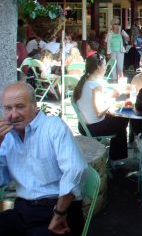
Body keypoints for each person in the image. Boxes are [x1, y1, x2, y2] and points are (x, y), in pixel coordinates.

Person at [0, 82, 88, 235]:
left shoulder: (53, 127)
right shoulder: (7, 138)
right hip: (24, 210)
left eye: (20, 106)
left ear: (34, 105)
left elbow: (76, 169)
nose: (13, 115)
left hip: (59, 209)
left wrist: (59, 213)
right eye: (8, 108)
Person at [73, 54, 129, 163]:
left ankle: (116, 158)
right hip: (93, 127)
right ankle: (116, 159)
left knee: (118, 120)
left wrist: (111, 95)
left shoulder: (85, 81)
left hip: (83, 126)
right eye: (104, 65)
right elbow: (99, 111)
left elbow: (93, 101)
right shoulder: (96, 85)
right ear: (98, 67)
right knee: (123, 119)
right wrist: (114, 99)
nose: (106, 67)